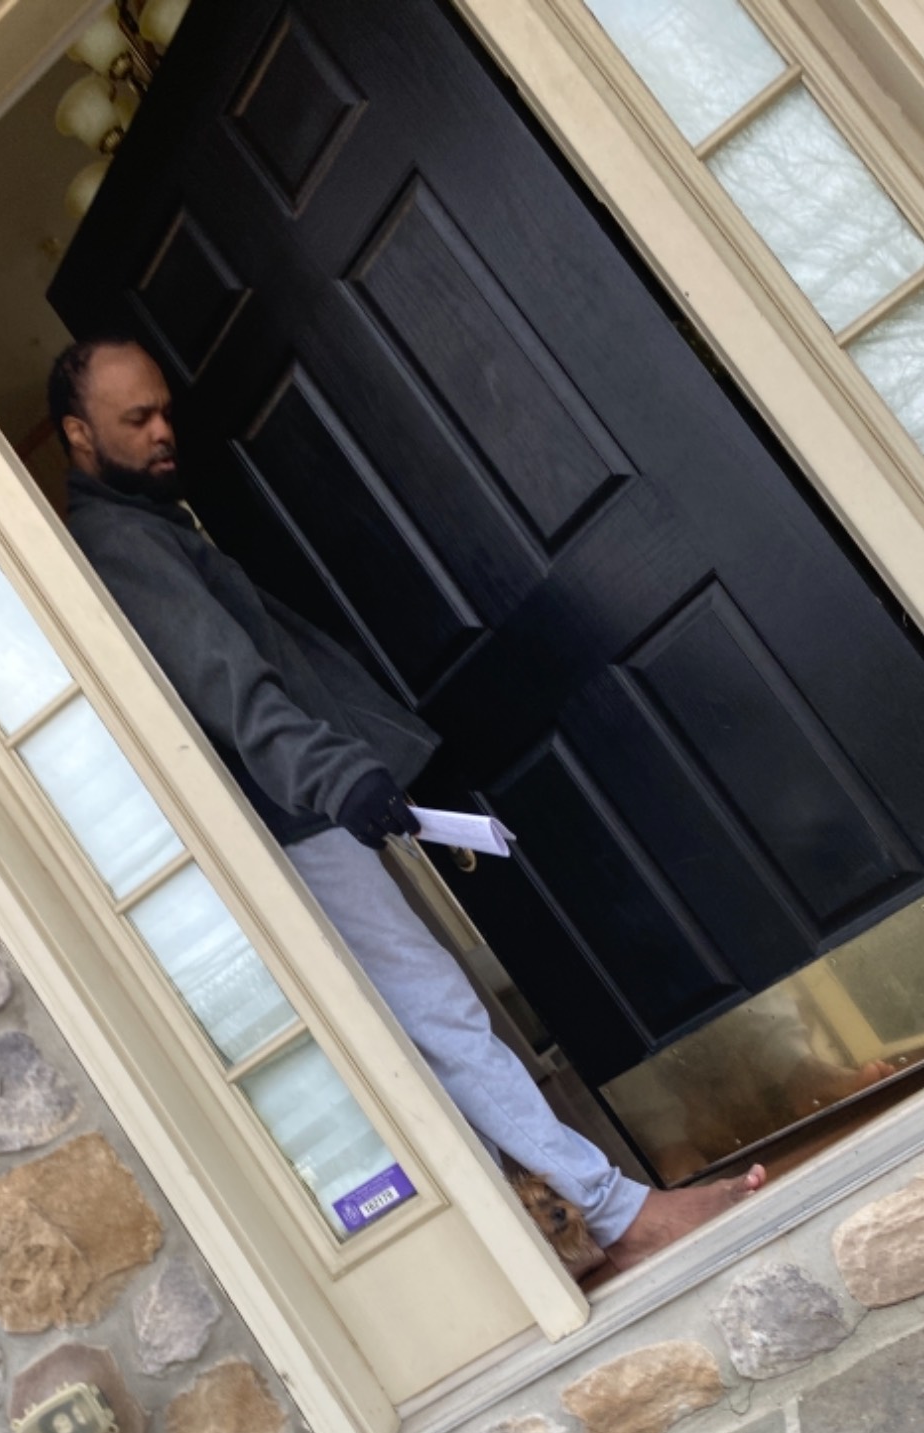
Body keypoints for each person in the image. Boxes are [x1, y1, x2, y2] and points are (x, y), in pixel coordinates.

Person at [48, 336, 764, 1270]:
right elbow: (226, 682)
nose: (161, 431)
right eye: (135, 418)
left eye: (163, 411)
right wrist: (329, 774)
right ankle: (617, 1215)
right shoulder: (120, 543)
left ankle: (556, 1233)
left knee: (428, 1016)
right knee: (437, 1010)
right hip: (296, 816)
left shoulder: (154, 526)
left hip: (301, 807)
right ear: (78, 433)